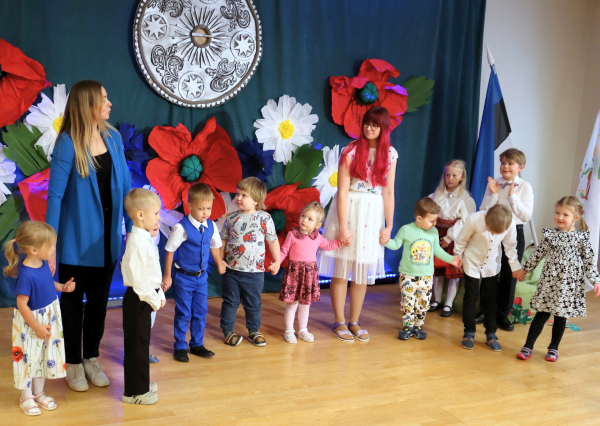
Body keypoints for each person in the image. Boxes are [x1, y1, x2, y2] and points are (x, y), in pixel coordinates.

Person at [46, 80, 132, 391]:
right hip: (75, 244)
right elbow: (55, 197)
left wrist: (134, 231)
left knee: (99, 305)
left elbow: (126, 186)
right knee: (72, 306)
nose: (109, 104)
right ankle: (72, 363)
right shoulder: (67, 143)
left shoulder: (113, 137)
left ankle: (91, 358)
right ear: (88, 105)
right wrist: (50, 245)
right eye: (103, 99)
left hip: (107, 241)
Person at [318, 106, 397, 342]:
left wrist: (389, 225)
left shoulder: (390, 154)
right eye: (367, 124)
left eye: (375, 125)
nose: (369, 128)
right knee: (342, 269)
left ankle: (355, 321)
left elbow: (389, 192)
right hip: (350, 209)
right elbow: (342, 191)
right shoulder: (351, 150)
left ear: (383, 128)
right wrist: (343, 227)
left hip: (372, 214)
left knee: (361, 271)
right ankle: (339, 321)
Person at [4, 221, 76, 416]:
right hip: (31, 323)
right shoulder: (26, 275)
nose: (53, 249)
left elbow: (48, 283)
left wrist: (62, 287)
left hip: (47, 318)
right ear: (34, 250)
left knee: (43, 356)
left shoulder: (42, 264)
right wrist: (36, 326)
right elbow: (22, 304)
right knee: (29, 358)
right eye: (50, 246)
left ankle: (39, 393)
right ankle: (26, 396)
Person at [516, 196, 600, 362]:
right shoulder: (551, 235)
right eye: (558, 213)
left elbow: (589, 261)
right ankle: (528, 346)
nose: (560, 217)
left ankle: (553, 348)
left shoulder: (581, 238)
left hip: (567, 285)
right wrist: (524, 269)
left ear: (576, 217)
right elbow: (538, 254)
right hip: (550, 283)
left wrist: (596, 280)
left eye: (565, 215)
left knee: (561, 317)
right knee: (541, 314)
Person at [162, 183, 227, 362]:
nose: (205, 213)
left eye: (208, 208)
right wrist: (167, 275)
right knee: (184, 312)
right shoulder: (181, 228)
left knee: (200, 311)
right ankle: (180, 346)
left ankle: (197, 344)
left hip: (202, 278)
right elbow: (170, 251)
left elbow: (215, 246)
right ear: (189, 205)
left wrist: (219, 262)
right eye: (201, 209)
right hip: (184, 277)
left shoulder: (211, 226)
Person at [385, 198, 462, 340]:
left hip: (426, 276)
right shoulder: (406, 230)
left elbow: (437, 250)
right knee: (408, 302)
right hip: (408, 275)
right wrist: (385, 241)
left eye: (436, 220)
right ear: (419, 218)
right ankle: (408, 326)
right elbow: (395, 244)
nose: (435, 224)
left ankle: (418, 326)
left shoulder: (433, 232)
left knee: (423, 302)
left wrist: (452, 259)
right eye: (431, 221)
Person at [453, 205, 526, 352]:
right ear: (486, 218)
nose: (493, 234)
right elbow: (461, 240)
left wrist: (516, 268)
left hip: (492, 263)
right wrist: (457, 258)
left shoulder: (510, 223)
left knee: (490, 297)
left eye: (497, 232)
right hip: (472, 260)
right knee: (471, 296)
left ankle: (491, 333)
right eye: (491, 230)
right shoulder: (474, 219)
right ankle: (469, 331)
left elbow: (510, 247)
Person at [220, 177, 281, 347]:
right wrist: (220, 260)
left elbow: (272, 240)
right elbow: (223, 240)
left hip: (255, 273)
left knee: (253, 304)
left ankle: (254, 331)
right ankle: (227, 331)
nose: (238, 198)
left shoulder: (264, 218)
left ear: (256, 200)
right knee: (230, 302)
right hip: (232, 271)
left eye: (244, 195)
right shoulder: (231, 218)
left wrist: (277, 260)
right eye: (238, 194)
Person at [478, 148, 533, 331]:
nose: (505, 166)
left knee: (509, 274)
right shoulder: (494, 183)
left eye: (510, 163)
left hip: (515, 231)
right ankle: (486, 310)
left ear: (521, 167)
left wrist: (512, 197)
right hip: (493, 231)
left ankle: (502, 314)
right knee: (489, 271)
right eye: (503, 163)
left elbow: (526, 216)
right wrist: (494, 194)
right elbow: (484, 210)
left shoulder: (525, 187)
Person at [120, 188, 165, 405]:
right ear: (140, 215)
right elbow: (139, 281)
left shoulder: (145, 238)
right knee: (136, 346)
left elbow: (152, 272)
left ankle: (141, 382)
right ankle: (134, 392)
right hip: (139, 298)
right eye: (155, 213)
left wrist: (159, 292)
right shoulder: (137, 242)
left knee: (142, 343)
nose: (158, 218)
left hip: (145, 297)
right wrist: (154, 299)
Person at [279, 202, 342, 343]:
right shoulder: (292, 235)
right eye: (303, 216)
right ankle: (289, 330)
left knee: (305, 305)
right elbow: (284, 251)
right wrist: (277, 262)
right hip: (294, 273)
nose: (304, 220)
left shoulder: (317, 237)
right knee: (292, 304)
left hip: (309, 275)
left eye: (310, 219)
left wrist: (340, 242)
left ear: (318, 225)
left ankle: (303, 329)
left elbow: (328, 245)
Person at [428, 160, 475, 317]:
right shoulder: (437, 194)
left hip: (454, 236)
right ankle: (436, 300)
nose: (450, 178)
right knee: (438, 270)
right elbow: (429, 210)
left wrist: (449, 237)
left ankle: (448, 304)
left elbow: (465, 221)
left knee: (453, 271)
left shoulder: (465, 199)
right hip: (437, 232)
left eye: (454, 175)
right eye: (447, 175)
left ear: (461, 177)